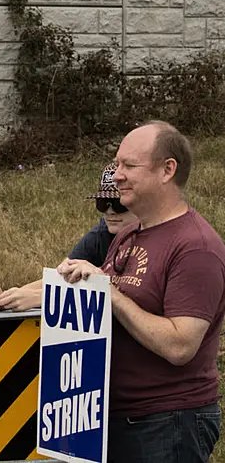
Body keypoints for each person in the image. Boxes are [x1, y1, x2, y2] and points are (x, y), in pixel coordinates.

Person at [59, 121, 225, 462]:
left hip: (168, 423)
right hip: (117, 418)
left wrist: (111, 294)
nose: (117, 175)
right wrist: (12, 299)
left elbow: (180, 345)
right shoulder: (128, 235)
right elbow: (98, 296)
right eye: (117, 164)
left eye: (129, 166)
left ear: (167, 170)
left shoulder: (196, 246)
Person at [0, 162, 138, 312]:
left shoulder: (154, 239)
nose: (110, 212)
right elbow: (61, 277)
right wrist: (6, 297)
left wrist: (45, 298)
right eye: (102, 203)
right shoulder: (102, 233)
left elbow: (130, 299)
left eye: (118, 204)